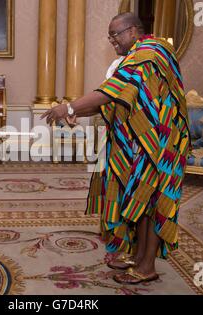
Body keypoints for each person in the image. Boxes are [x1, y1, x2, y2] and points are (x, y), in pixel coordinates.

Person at [41, 13, 190, 285]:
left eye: (115, 35)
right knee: (141, 200)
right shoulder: (138, 55)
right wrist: (80, 112)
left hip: (160, 144)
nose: (112, 41)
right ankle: (138, 255)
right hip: (145, 142)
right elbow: (120, 97)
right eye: (109, 36)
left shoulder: (148, 53)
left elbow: (114, 91)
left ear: (133, 30)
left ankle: (147, 266)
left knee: (152, 203)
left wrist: (69, 107)